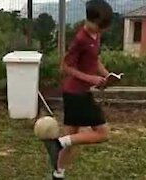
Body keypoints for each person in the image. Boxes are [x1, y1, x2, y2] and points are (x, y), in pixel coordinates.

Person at [44, 0, 114, 179]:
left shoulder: (95, 36)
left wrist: (107, 76)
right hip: (76, 93)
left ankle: (58, 173)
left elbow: (94, 60)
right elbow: (65, 67)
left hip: (79, 92)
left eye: (103, 27)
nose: (101, 30)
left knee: (72, 137)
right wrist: (91, 78)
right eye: (99, 26)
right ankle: (58, 143)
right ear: (89, 19)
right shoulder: (80, 39)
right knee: (102, 133)